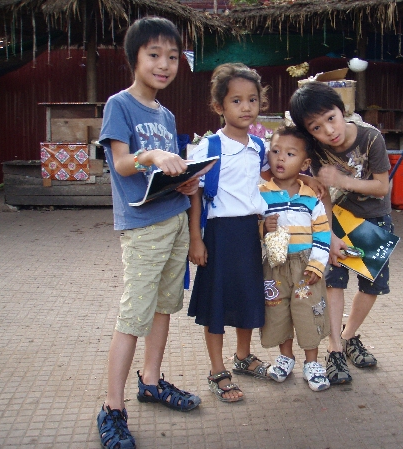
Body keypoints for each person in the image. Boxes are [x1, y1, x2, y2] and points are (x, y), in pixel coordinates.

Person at [96, 17, 200, 449]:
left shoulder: (166, 112)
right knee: (133, 317)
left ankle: (152, 381)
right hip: (142, 228)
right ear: (134, 58)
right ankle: (112, 407)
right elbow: (121, 164)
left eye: (172, 57)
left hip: (174, 217)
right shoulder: (119, 105)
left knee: (163, 308)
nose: (164, 65)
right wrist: (153, 154)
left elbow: (167, 172)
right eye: (154, 55)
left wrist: (185, 181)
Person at [289, 81, 392, 385]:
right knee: (334, 282)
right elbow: (323, 192)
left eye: (331, 118)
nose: (328, 130)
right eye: (316, 127)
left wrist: (343, 180)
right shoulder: (318, 148)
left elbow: (381, 187)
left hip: (374, 220)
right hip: (339, 217)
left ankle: (348, 337)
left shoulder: (372, 138)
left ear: (341, 110)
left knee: (372, 286)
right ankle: (334, 349)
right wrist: (330, 234)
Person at [187, 63, 273, 403]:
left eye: (252, 99)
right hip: (219, 234)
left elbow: (271, 182)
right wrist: (196, 238)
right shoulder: (208, 147)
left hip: (250, 234)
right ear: (219, 106)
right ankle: (217, 370)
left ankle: (243, 357)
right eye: (236, 100)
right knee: (218, 302)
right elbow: (194, 193)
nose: (246, 107)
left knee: (247, 296)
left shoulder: (259, 146)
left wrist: (306, 180)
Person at [259, 125, 332, 392]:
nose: (280, 158)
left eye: (290, 154)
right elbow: (253, 227)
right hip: (274, 267)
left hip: (305, 267)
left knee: (307, 312)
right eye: (275, 151)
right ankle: (286, 356)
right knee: (277, 311)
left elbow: (323, 232)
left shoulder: (311, 196)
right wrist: (261, 228)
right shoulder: (261, 192)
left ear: (305, 162)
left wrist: (317, 264)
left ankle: (312, 363)